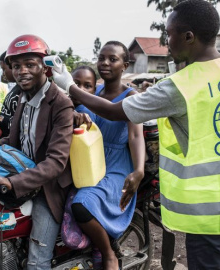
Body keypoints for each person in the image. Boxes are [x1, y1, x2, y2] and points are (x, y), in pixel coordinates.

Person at [52, 1, 220, 269]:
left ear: (188, 37)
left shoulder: (180, 86)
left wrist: (69, 86)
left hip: (212, 214)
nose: (167, 41)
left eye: (169, 33)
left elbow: (115, 111)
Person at [0, 34, 74, 270]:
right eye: (17, 66)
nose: (22, 71)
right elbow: (16, 141)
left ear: (45, 67)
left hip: (48, 188)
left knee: (36, 262)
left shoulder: (60, 103)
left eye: (30, 64)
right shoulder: (22, 98)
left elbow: (56, 162)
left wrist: (11, 181)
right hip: (24, 176)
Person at [63, 43, 145, 270]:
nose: (105, 63)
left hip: (114, 166)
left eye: (113, 59)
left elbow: (136, 136)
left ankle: (108, 253)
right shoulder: (91, 90)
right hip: (86, 161)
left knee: (82, 205)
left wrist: (138, 171)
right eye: (101, 58)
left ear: (125, 65)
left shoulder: (132, 95)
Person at [0, 51, 20, 138]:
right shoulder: (15, 89)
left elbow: (14, 123)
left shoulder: (20, 93)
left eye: (4, 69)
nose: (3, 74)